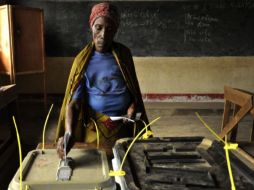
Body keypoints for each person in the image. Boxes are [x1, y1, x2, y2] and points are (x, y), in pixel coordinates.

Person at [55, 2, 150, 158]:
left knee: (125, 163)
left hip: (123, 125)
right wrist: (69, 132)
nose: (104, 34)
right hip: (96, 128)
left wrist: (133, 107)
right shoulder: (82, 61)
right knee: (99, 166)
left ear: (116, 31)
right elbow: (74, 103)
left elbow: (133, 91)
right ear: (91, 27)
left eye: (110, 29)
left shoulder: (123, 55)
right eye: (98, 27)